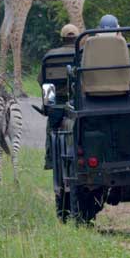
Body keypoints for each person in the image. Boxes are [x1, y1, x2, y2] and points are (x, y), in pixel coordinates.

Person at [41, 23, 79, 169]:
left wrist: (48, 105)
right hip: (77, 102)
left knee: (51, 126)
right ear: (77, 38)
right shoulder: (82, 53)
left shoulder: (50, 56)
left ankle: (50, 159)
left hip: (56, 104)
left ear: (62, 38)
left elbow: (44, 82)